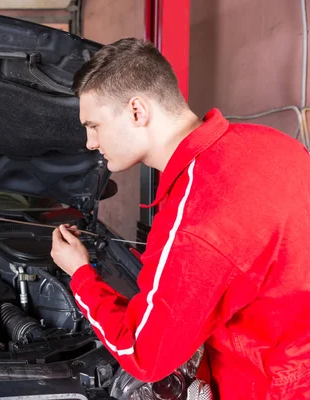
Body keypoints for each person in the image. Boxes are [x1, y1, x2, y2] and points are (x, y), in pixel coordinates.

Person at [50, 38, 310, 400]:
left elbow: (145, 357)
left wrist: (80, 274)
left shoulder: (195, 218)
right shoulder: (273, 143)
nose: (91, 142)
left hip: (266, 386)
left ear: (137, 111)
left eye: (93, 125)